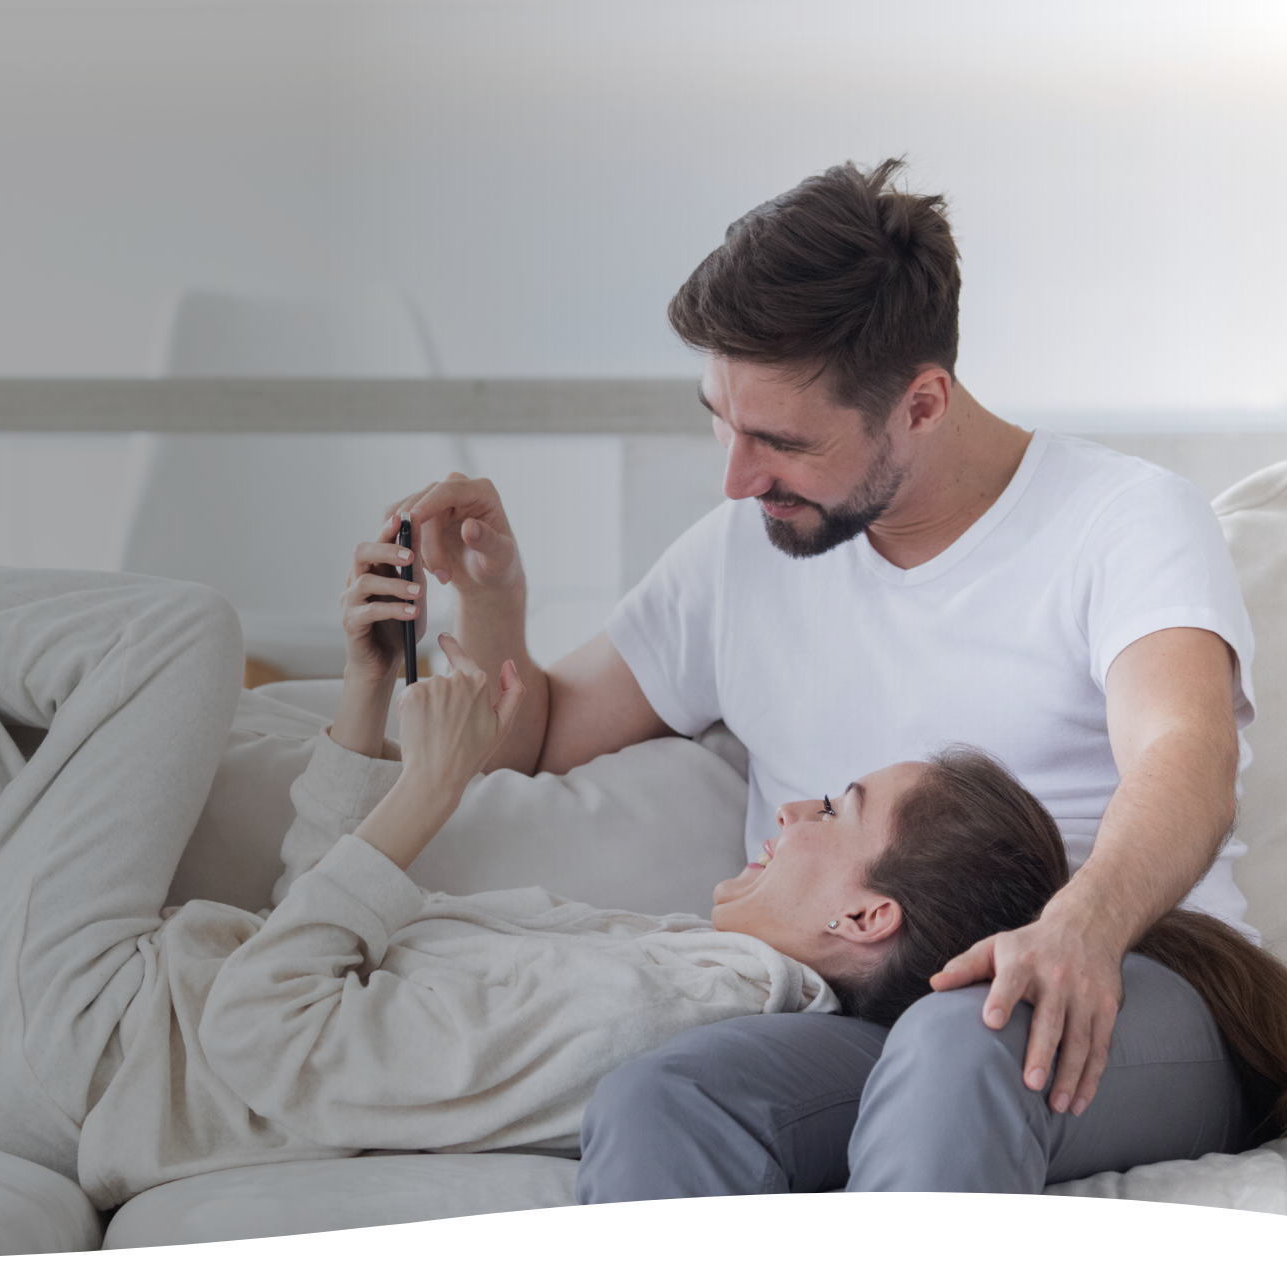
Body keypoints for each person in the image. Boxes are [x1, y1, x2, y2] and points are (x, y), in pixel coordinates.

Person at [0, 534, 1279, 1212]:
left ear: (865, 920)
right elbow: (320, 968)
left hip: (73, 1052)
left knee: (171, 628)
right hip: (51, 1019)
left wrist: (408, 810)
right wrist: (373, 720)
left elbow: (286, 1044)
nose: (786, 809)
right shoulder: (669, 956)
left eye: (830, 813)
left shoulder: (666, 1001)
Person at [396, 158, 1261, 1196]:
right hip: (861, 1010)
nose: (735, 474)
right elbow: (536, 737)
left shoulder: (1119, 519)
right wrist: (496, 599)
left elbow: (1187, 753)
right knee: (664, 1096)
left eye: (779, 440)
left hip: (1116, 982)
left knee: (956, 1045)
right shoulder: (741, 550)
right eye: (719, 415)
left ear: (923, 403)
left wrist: (1079, 924)